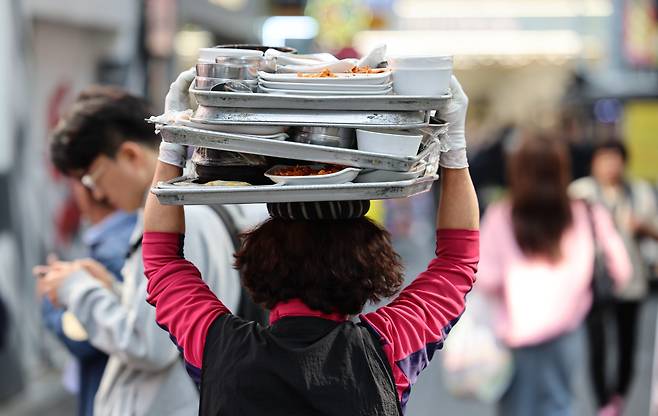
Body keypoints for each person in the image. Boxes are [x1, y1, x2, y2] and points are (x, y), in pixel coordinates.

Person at [141, 76, 478, 415]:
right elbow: (457, 261)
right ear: (370, 265)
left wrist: (174, 141)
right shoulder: (387, 348)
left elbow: (162, 260)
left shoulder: (219, 347)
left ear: (261, 259)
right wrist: (454, 144)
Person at [34, 85, 250, 416]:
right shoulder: (194, 206)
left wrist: (77, 289)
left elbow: (150, 345)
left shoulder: (179, 218)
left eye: (93, 179)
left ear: (130, 156)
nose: (99, 195)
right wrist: (113, 289)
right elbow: (164, 321)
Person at [477, 134, 632, 416]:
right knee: (561, 405)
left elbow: (485, 277)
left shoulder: (501, 215)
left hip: (515, 337)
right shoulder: (586, 212)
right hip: (570, 333)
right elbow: (622, 271)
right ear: (563, 169)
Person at [570, 140, 658, 415]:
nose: (610, 165)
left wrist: (641, 227)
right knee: (597, 345)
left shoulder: (639, 192)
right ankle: (603, 402)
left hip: (632, 282)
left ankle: (618, 396)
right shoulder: (580, 192)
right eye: (604, 158)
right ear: (593, 162)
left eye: (615, 158)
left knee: (627, 346)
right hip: (593, 283)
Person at [40, 181, 137, 416]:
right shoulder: (131, 235)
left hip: (119, 392)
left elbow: (84, 339)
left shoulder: (111, 249)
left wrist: (52, 299)